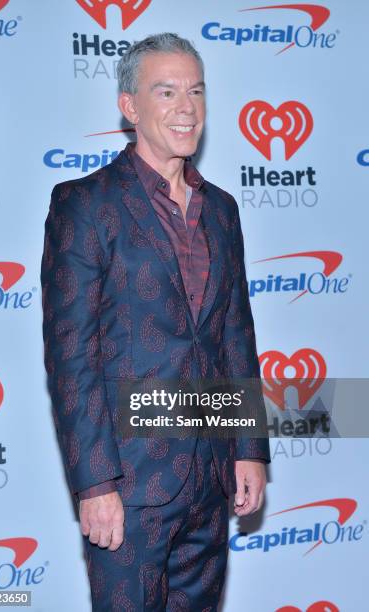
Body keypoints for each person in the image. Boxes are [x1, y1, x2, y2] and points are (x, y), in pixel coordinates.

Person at [41, 32, 270, 611]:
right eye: (166, 91)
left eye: (196, 91)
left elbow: (235, 335)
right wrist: (95, 486)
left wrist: (249, 447)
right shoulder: (85, 205)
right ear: (130, 107)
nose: (186, 107)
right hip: (130, 483)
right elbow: (72, 357)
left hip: (210, 478)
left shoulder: (221, 209)